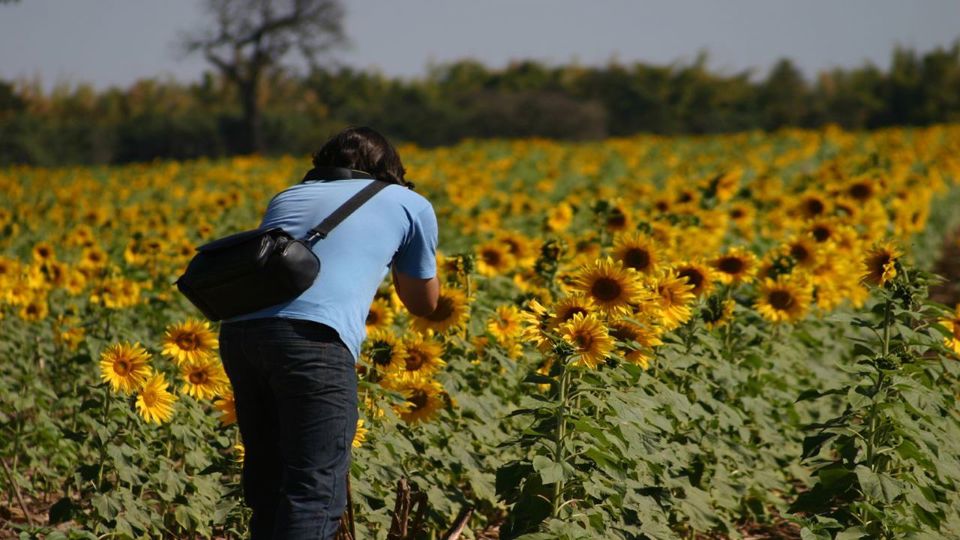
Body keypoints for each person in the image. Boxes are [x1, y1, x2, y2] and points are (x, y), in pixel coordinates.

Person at [217, 126, 440, 539]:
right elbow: (423, 303)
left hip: (241, 334)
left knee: (269, 482)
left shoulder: (288, 196)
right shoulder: (409, 203)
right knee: (313, 490)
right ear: (390, 169)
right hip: (313, 341)